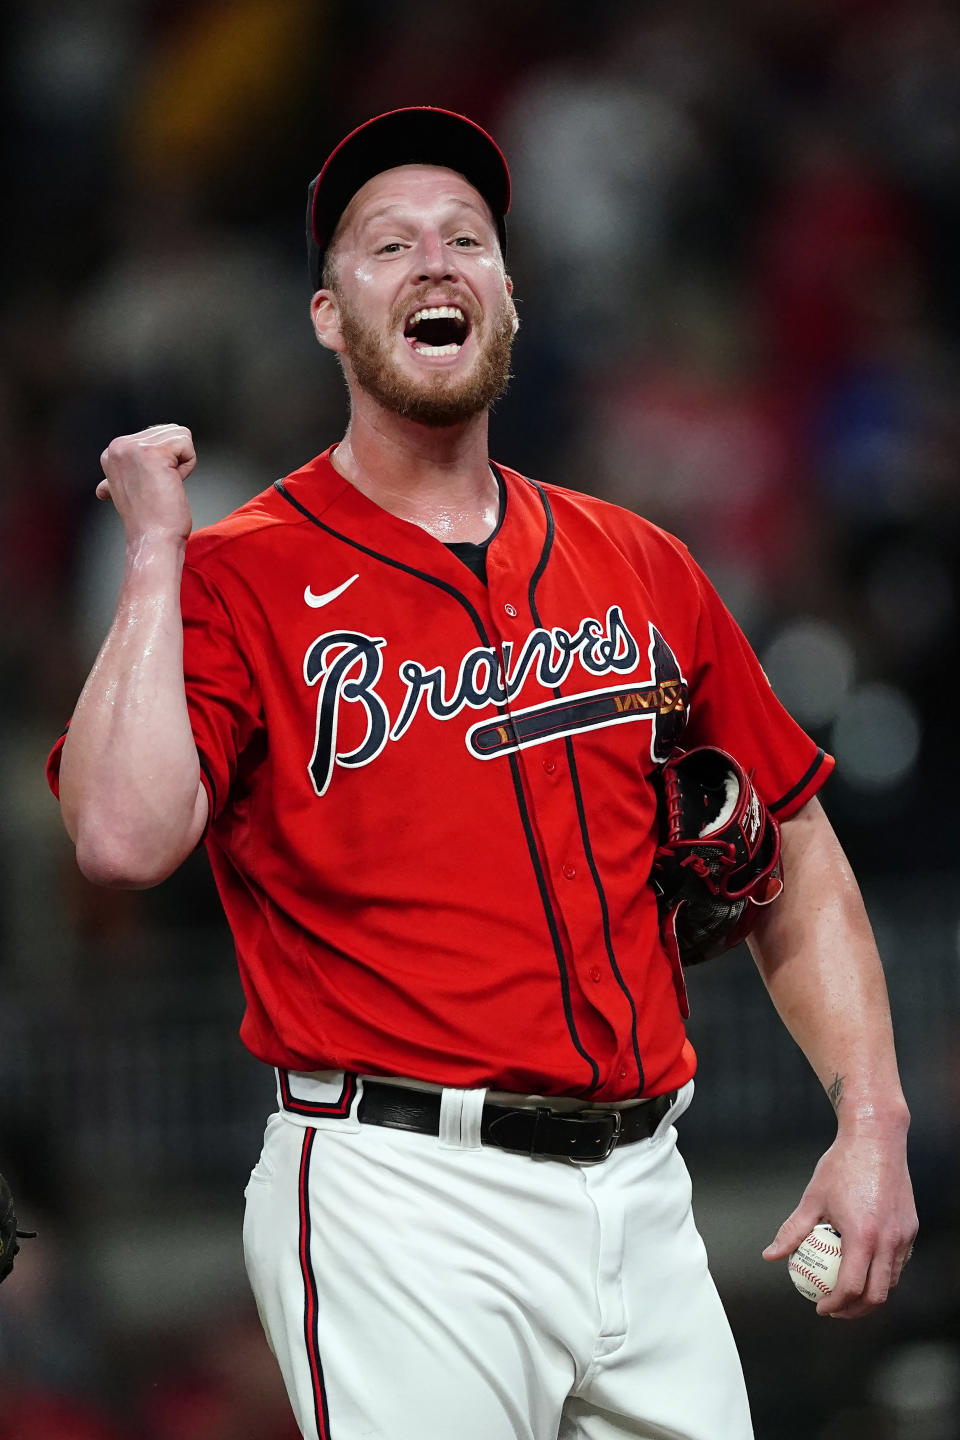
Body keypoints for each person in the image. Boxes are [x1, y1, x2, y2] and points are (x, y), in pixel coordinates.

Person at [48, 107, 917, 1440]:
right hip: (404, 1197)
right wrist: (159, 554)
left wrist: (871, 1120)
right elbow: (118, 834)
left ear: (508, 295)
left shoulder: (637, 563)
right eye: (387, 245)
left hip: (647, 1191)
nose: (435, 263)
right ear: (331, 315)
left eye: (467, 239)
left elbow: (791, 840)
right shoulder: (242, 573)